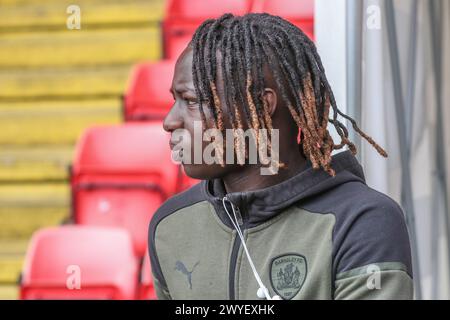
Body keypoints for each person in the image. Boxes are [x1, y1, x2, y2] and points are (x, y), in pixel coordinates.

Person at [148, 13, 413, 300]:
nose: (169, 120)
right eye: (175, 100)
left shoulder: (361, 221)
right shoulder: (171, 225)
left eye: (191, 101)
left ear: (261, 106)